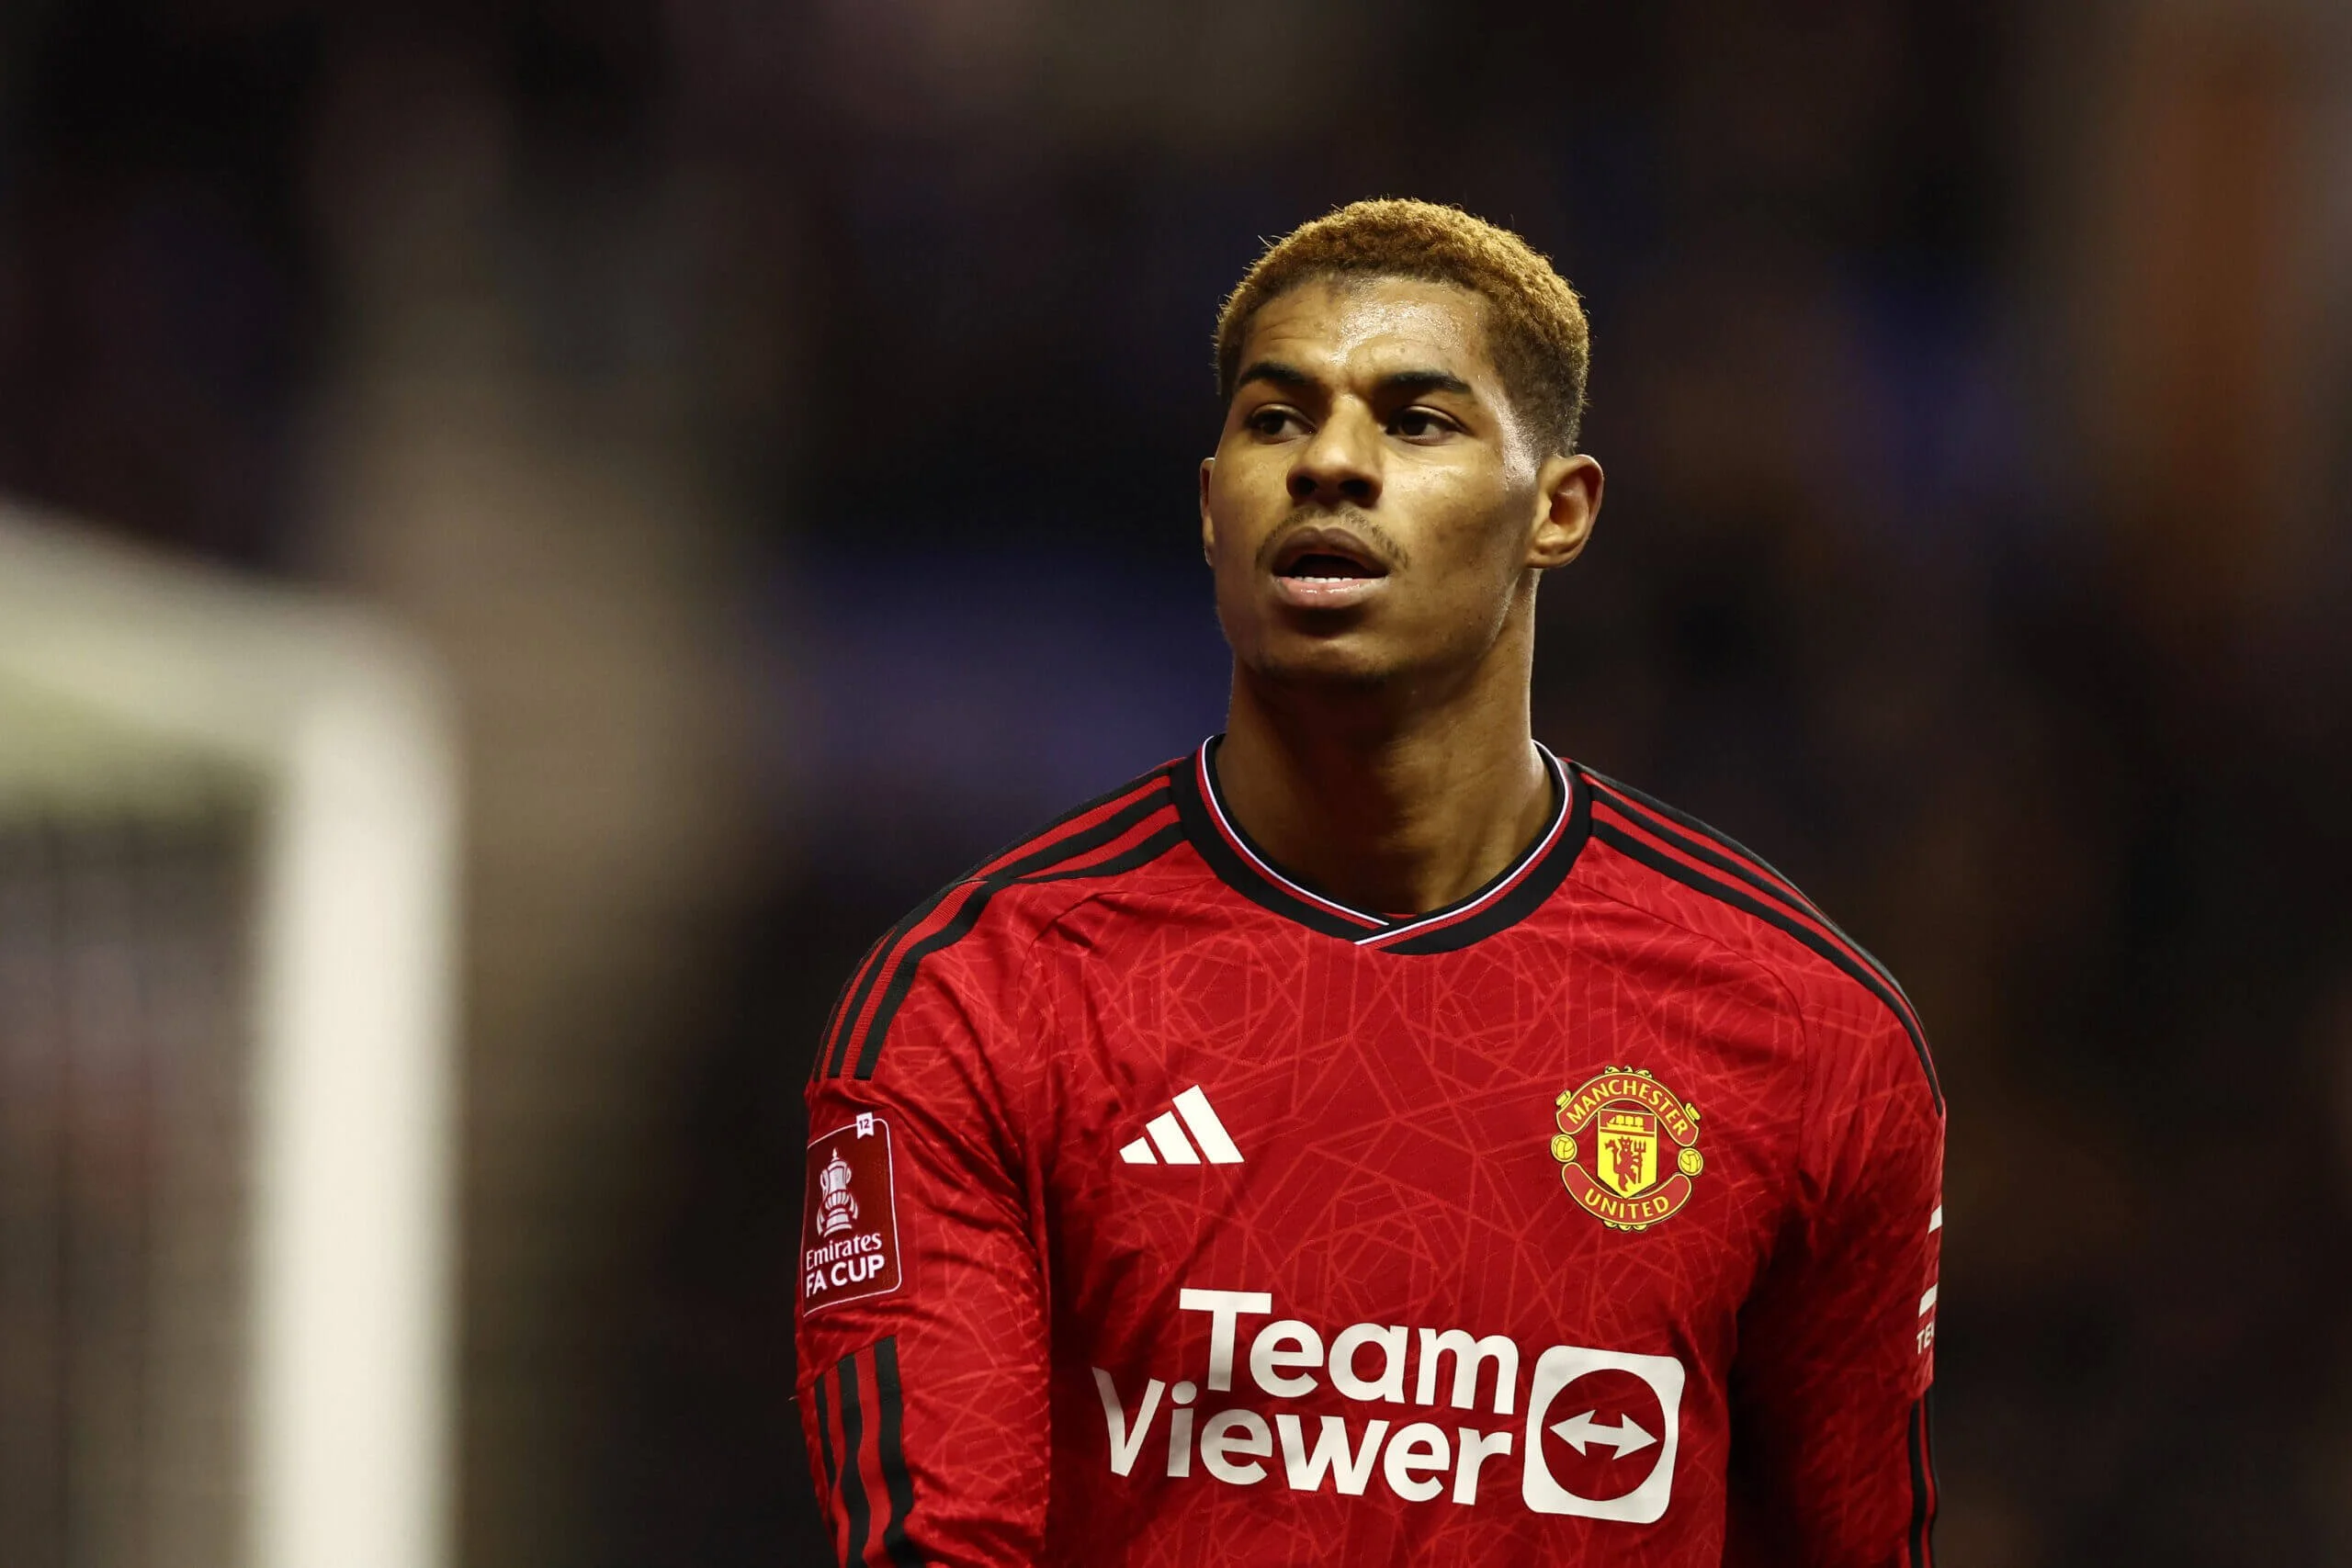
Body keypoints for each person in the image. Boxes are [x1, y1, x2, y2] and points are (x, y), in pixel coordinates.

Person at [796, 198, 1943, 1566]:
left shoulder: (1811, 1040)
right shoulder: (982, 1004)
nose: (1330, 462)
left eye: (1417, 420)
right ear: (1210, 507)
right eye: (1276, 419)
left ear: (1559, 510)